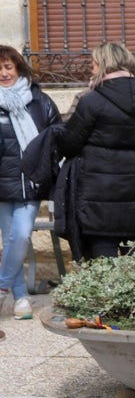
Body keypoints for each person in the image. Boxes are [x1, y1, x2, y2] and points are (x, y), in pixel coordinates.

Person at [57, 42, 135, 261]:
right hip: (134, 190)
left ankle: (106, 296)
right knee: (133, 253)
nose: (91, 69)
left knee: (102, 252)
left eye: (93, 64)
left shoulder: (91, 100)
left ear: (103, 64)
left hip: (98, 191)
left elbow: (69, 143)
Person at [0, 45, 61, 322]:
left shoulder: (40, 101)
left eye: (8, 67)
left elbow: (56, 136)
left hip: (31, 182)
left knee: (21, 235)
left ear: (18, 68)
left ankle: (2, 287)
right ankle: (21, 298)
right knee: (11, 239)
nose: (3, 74)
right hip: (2, 185)